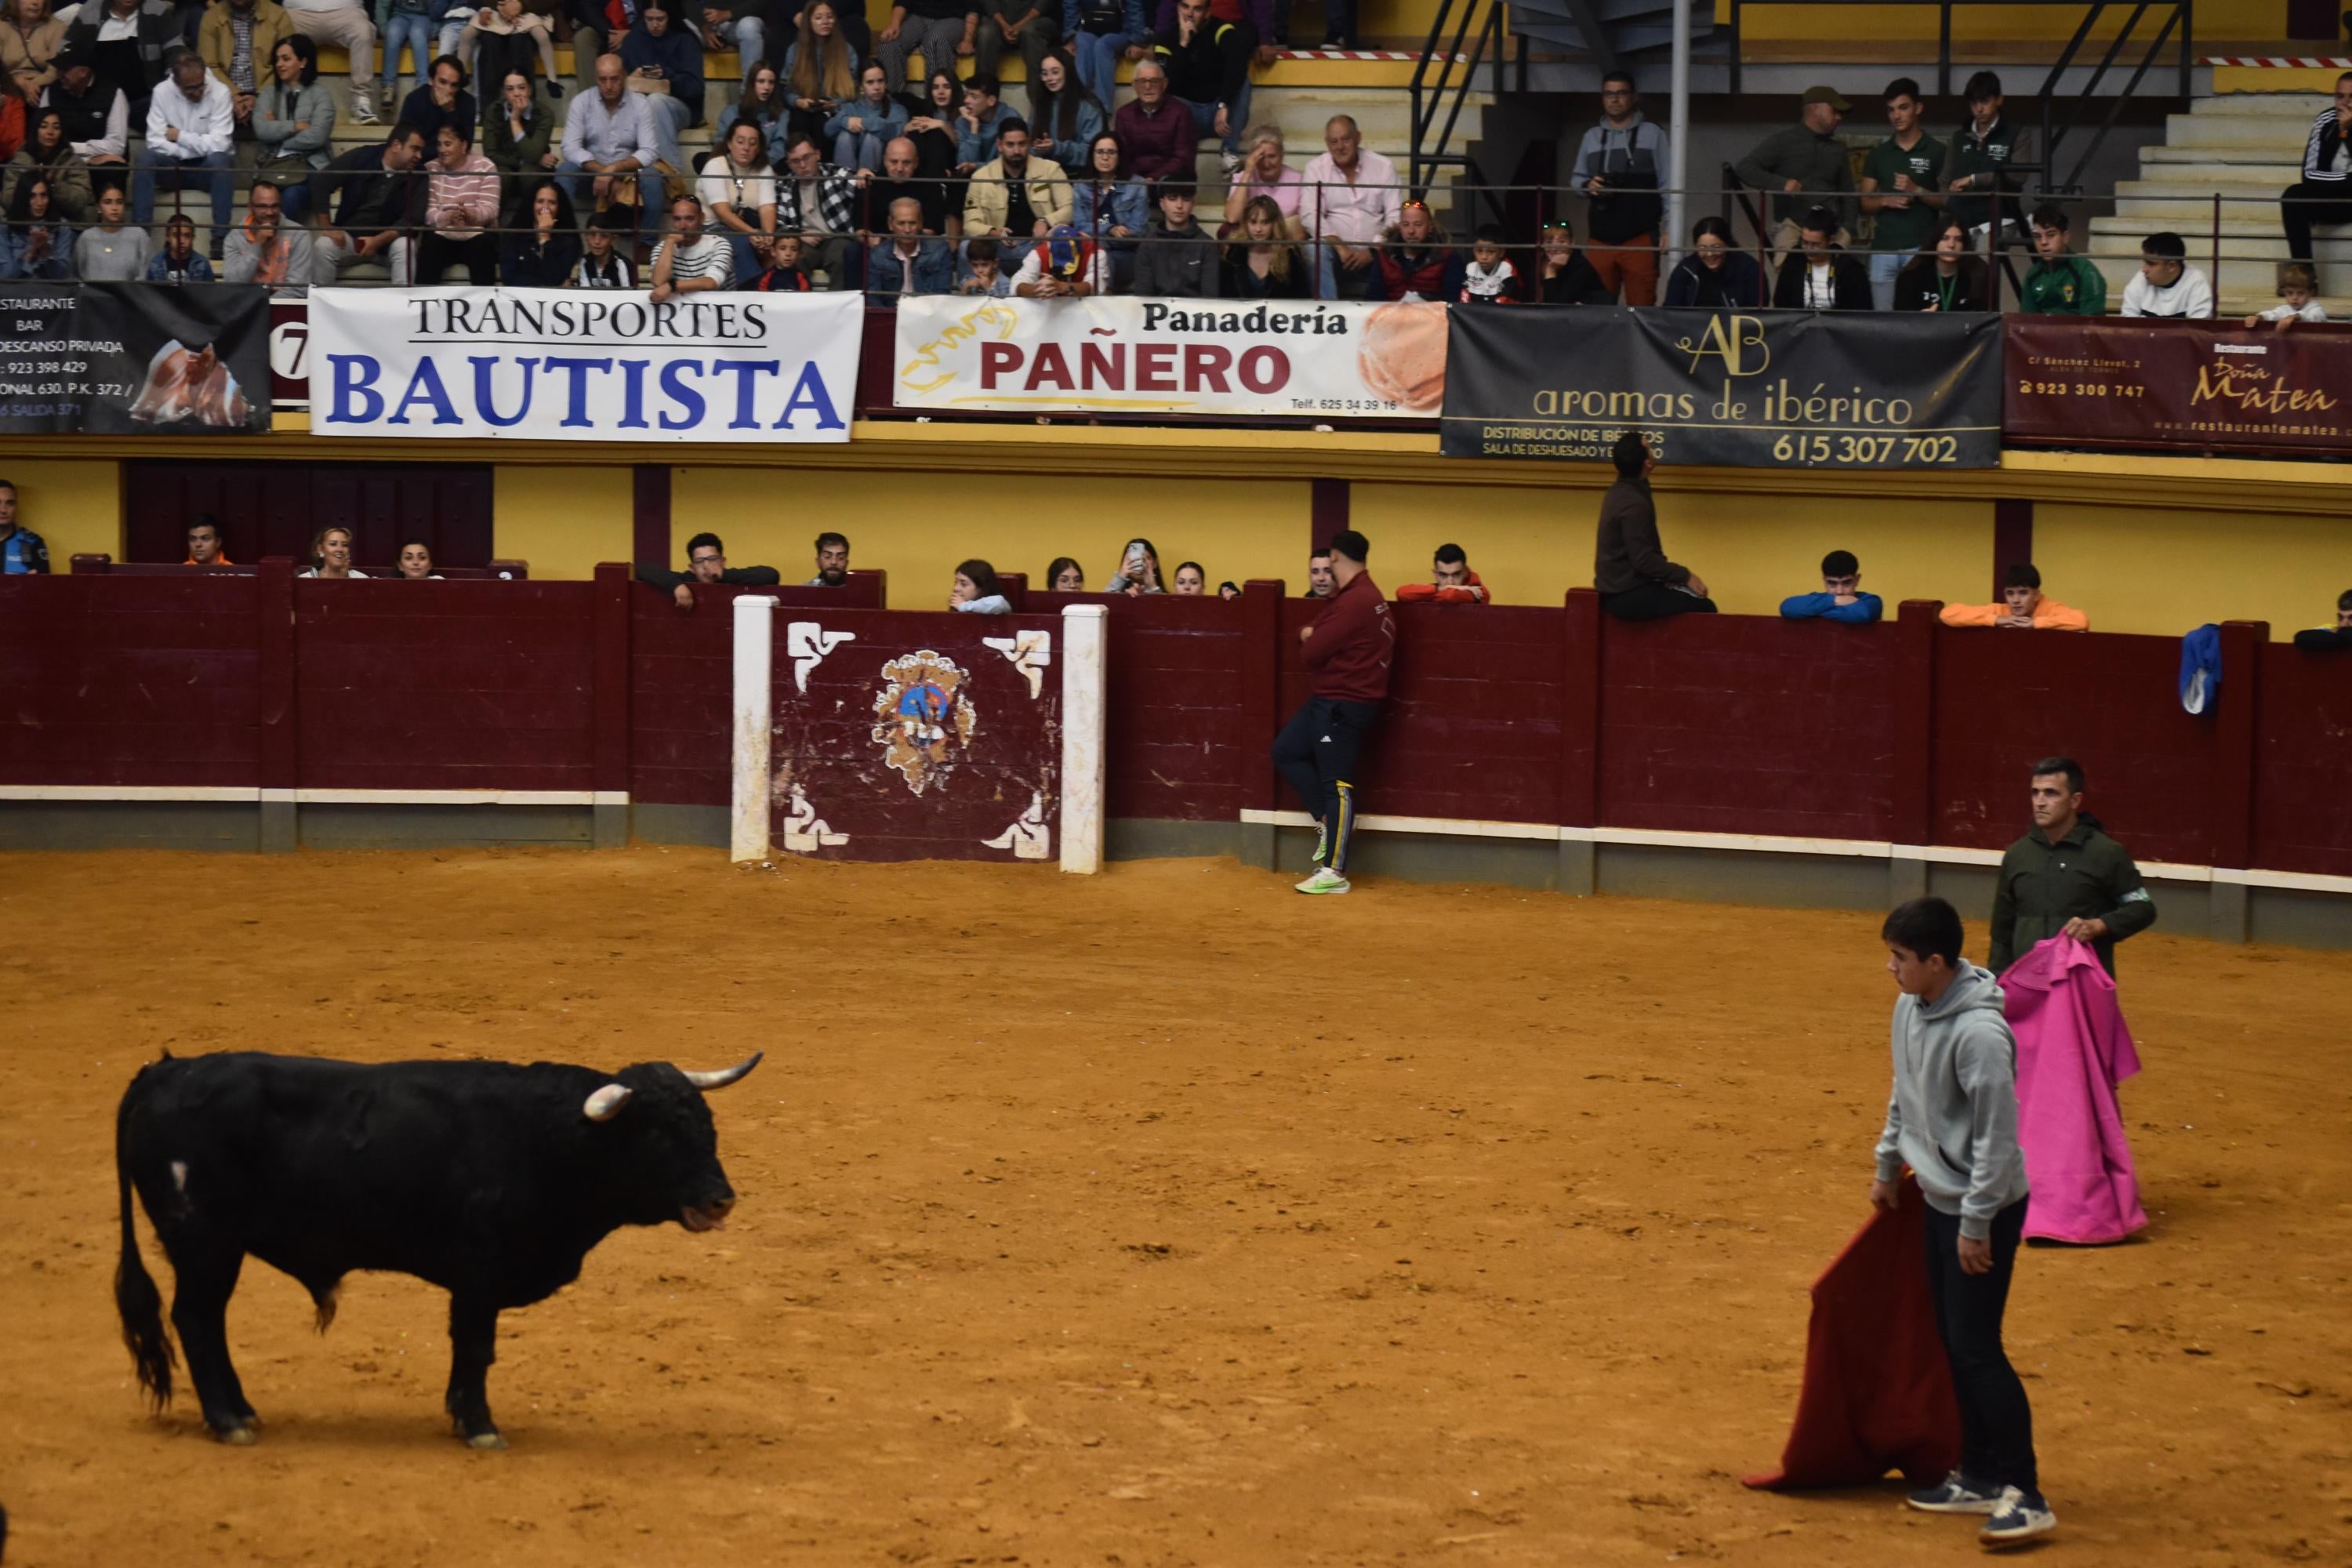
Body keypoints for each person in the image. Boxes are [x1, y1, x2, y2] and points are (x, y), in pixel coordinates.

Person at [1868, 895, 2057, 1551]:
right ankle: (1977, 1473)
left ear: (1937, 962)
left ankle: (2026, 1494)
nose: (1890, 968)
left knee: (1977, 1347)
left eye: (1900, 958)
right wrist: (1889, 1163)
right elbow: (1905, 1088)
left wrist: (1976, 1223)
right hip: (1940, 1196)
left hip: (1986, 1207)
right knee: (1954, 1342)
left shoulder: (1980, 1035)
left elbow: (1998, 1140)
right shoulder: (1909, 1008)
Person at [1275, 528, 1391, 896]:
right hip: (1329, 701)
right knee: (1286, 751)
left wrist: (1309, 634)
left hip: (1341, 706)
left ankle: (1335, 871)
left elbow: (1311, 650)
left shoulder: (1354, 602)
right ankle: (1328, 822)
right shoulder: (1363, 597)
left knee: (1337, 785)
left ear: (1336, 558)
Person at [1988, 756, 2155, 978]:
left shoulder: (2105, 853)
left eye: (2051, 793)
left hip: (2081, 987)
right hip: (2028, 985)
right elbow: (2002, 931)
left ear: (2075, 800)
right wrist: (1996, 985)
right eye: (2035, 792)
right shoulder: (2017, 855)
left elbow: (2142, 908)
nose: (2040, 802)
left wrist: (2099, 925)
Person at [1595, 431, 1713, 620]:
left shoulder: (1620, 492)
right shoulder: (1634, 503)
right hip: (1626, 593)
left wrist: (1666, 577)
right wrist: (1684, 576)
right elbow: (1644, 561)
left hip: (1621, 587)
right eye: (1650, 449)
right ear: (1647, 463)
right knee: (1705, 608)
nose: (1652, 451)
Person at [1571, 67, 1665, 303]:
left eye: (1621, 93)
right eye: (1608, 94)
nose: (1614, 99)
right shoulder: (1591, 137)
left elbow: (1668, 183)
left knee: (1641, 309)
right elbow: (1575, 180)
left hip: (1640, 237)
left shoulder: (1653, 134)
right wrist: (1588, 185)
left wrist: (1670, 229)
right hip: (1600, 237)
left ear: (1633, 97)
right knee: (1598, 308)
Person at [131, 47, 230, 254]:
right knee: (145, 158)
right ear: (176, 83)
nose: (197, 93)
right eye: (190, 89)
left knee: (221, 161)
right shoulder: (161, 92)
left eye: (200, 86)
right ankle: (141, 235)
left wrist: (181, 137)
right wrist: (192, 149)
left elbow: (221, 144)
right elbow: (154, 141)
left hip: (206, 168)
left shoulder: (221, 92)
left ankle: (220, 238)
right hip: (173, 166)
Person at [1735, 85, 1856, 256]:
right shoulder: (1783, 142)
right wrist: (1781, 184)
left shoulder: (1837, 150)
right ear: (1815, 108)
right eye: (1834, 110)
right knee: (1789, 279)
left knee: (1832, 281)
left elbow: (1849, 194)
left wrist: (1847, 231)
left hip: (1830, 233)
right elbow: (1745, 168)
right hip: (1791, 228)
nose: (1839, 116)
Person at [1858, 76, 1944, 310]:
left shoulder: (1937, 151)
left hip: (1921, 248)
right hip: (1883, 248)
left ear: (1918, 108)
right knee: (1883, 323)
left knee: (1918, 322)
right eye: (1891, 110)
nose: (1896, 116)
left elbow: (1949, 202)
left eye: (1903, 108)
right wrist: (1885, 200)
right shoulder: (1879, 154)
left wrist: (1915, 190)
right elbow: (1863, 204)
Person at [557, 53, 666, 238]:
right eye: (603, 80)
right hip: (591, 175)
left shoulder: (640, 104)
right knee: (565, 171)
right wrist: (602, 171)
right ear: (596, 79)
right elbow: (569, 147)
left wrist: (613, 170)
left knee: (653, 178)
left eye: (614, 79)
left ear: (624, 77)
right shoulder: (581, 102)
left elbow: (649, 151)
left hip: (628, 176)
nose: (608, 86)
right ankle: (565, 238)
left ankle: (646, 244)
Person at [308, 122, 423, 283]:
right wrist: (327, 227)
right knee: (323, 246)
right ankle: (323, 305)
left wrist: (377, 242)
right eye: (415, 149)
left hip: (389, 244)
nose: (420, 156)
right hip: (351, 239)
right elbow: (321, 182)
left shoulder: (420, 174)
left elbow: (412, 220)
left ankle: (403, 306)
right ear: (397, 145)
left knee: (406, 246)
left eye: (421, 151)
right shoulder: (362, 157)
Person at [1301, 111, 1398, 300]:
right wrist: (1339, 246)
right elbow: (1309, 214)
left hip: (1378, 251)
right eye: (1334, 142)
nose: (1340, 147)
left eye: (1346, 139)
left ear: (1358, 138)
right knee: (1313, 249)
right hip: (1336, 253)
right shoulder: (1315, 168)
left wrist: (1373, 249)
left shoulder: (1383, 166)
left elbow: (1395, 215)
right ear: (1327, 143)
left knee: (1399, 246)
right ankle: (1328, 314)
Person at [1150, 0, 1254, 176]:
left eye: (1197, 9)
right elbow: (1168, 82)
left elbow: (1238, 64)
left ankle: (1229, 153)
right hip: (1188, 116)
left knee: (1244, 82)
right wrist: (1183, 43)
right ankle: (1177, 163)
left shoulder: (1222, 29)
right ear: (1178, 8)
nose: (1189, 14)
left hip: (1220, 115)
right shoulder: (1165, 37)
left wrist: (1224, 103)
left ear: (1207, 12)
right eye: (1185, 6)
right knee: (1162, 91)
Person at [2279, 71, 2351, 292]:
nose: (2345, 103)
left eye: (2351, 97)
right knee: (2293, 196)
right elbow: (2309, 175)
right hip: (2329, 199)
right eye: (2340, 96)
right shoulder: (2325, 120)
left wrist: (2348, 132)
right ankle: (2306, 279)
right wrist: (2339, 132)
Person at [963, 114, 1065, 267]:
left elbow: (1069, 209)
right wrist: (995, 233)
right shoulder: (981, 176)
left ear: (1029, 143)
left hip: (1039, 244)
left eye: (1022, 144)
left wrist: (1046, 221)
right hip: (997, 246)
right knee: (965, 247)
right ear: (999, 145)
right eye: (1010, 145)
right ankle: (972, 289)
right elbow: (970, 224)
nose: (1017, 151)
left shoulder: (1051, 170)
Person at [1942, 70, 2031, 245]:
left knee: (1983, 265)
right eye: (1974, 102)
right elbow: (1944, 180)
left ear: (1999, 99)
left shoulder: (2018, 133)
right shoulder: (1958, 137)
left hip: (1999, 220)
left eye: (1985, 101)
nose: (1979, 108)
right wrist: (1949, 201)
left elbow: (2019, 175)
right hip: (1961, 222)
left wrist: (1974, 180)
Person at [250, 36, 332, 218]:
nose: (279, 64)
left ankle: (284, 245)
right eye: (277, 59)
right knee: (263, 198)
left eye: (286, 59)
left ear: (303, 62)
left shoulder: (321, 95)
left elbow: (317, 136)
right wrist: (295, 126)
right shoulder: (268, 94)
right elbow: (262, 130)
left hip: (307, 166)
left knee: (292, 196)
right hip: (271, 166)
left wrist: (277, 132)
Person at [62, 0, 170, 132]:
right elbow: (66, 47)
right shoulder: (92, 9)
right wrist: (72, 67)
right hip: (99, 101)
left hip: (144, 101)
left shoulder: (155, 8)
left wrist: (172, 79)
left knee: (169, 125)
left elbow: (174, 46)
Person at [620, 2, 702, 164]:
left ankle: (669, 174)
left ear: (669, 17)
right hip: (639, 102)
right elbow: (618, 82)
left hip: (680, 105)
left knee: (656, 101)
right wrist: (632, 78)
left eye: (660, 19)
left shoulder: (685, 40)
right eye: (649, 19)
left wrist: (667, 77)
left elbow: (696, 87)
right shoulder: (634, 39)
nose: (655, 25)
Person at [415, 121, 496, 283]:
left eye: (448, 144)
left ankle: (485, 304)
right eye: (439, 144)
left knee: (485, 244)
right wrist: (447, 217)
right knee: (430, 243)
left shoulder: (485, 167)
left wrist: (470, 215)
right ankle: (424, 304)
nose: (442, 150)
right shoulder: (430, 169)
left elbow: (491, 209)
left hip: (474, 233)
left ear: (464, 145)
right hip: (442, 234)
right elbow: (426, 211)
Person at [773, 129, 857, 285]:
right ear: (789, 164)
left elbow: (861, 188)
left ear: (817, 155)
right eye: (796, 161)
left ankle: (839, 307)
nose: (803, 165)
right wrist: (800, 234)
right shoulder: (783, 185)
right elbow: (780, 225)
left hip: (837, 237)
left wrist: (865, 173)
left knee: (841, 256)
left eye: (807, 157)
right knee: (794, 257)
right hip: (804, 241)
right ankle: (802, 306)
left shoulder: (836, 174)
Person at [702, 115, 778, 279]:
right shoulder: (715, 166)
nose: (746, 148)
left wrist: (768, 235)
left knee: (777, 246)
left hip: (748, 227)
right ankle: (752, 293)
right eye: (740, 142)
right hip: (712, 228)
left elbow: (767, 208)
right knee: (742, 242)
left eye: (752, 143)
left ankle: (778, 290)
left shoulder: (764, 169)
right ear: (729, 144)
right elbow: (723, 213)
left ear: (759, 148)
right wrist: (752, 233)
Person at [482, 66, 555, 230]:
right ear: (504, 92)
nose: (516, 94)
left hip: (533, 170)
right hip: (505, 166)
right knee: (501, 174)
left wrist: (515, 121)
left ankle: (532, 226)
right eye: (510, 89)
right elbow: (491, 154)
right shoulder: (494, 111)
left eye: (521, 88)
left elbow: (532, 155)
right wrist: (527, 158)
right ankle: (491, 227)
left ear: (529, 89)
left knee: (528, 173)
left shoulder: (544, 114)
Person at [281, 0, 378, 122]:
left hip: (346, 12)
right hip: (298, 13)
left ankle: (361, 102)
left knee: (363, 31)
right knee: (277, 29)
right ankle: (288, 99)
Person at [198, 0, 292, 123]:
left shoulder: (278, 15)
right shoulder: (211, 17)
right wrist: (232, 95)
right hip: (222, 92)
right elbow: (207, 65)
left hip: (268, 92)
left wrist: (260, 98)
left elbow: (289, 63)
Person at [635, 531, 781, 609]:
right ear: (692, 567)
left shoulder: (735, 579)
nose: (706, 566)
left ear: (723, 561)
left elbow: (771, 575)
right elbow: (643, 569)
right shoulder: (686, 580)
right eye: (699, 561)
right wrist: (677, 585)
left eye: (712, 559)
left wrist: (724, 574)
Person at [1070, 128, 1143, 285]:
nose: (1105, 157)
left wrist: (1101, 235)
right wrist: (1110, 229)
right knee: (1098, 251)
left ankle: (1101, 297)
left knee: (1101, 251)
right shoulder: (1080, 187)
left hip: (1127, 251)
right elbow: (1080, 226)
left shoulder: (1137, 185)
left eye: (1111, 152)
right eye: (1100, 152)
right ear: (1092, 156)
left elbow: (1138, 230)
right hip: (1095, 250)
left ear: (1119, 156)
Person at [44, 46, 130, 177]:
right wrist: (86, 159)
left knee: (113, 166)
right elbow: (41, 137)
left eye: (64, 69)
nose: (59, 74)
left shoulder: (113, 93)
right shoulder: (51, 92)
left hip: (101, 163)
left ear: (83, 72)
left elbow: (116, 146)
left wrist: (73, 149)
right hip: (60, 160)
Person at [1771, 204, 1871, 310]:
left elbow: (1861, 312)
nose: (1808, 249)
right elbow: (1781, 303)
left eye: (1815, 245)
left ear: (1831, 240)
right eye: (1805, 243)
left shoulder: (1851, 270)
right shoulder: (1794, 261)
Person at [1939, 561, 2087, 631]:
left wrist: (2035, 623)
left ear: (2036, 595)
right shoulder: (2001, 612)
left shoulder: (2051, 609)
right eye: (2010, 593)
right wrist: (1997, 620)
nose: (2015, 600)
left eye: (2023, 593)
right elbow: (1948, 614)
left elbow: (2081, 621)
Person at [223, 175, 311, 291]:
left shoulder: (299, 234)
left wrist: (267, 306)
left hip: (283, 305)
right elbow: (232, 282)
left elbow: (298, 288)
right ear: (250, 207)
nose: (269, 212)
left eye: (275, 206)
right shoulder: (235, 237)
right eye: (262, 206)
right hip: (247, 305)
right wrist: (257, 245)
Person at [1133, 172, 1216, 296]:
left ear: (1193, 203)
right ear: (1162, 204)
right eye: (1172, 199)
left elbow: (1210, 296)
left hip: (1197, 313)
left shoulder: (1207, 245)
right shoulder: (1148, 245)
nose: (1179, 206)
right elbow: (1143, 297)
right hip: (1157, 313)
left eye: (1186, 199)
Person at [1109, 57, 1188, 183]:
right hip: (1134, 182)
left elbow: (1182, 157)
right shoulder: (1124, 114)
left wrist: (1153, 178)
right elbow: (1122, 156)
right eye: (1142, 81)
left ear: (1165, 84)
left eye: (1154, 81)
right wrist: (1137, 180)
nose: (1148, 86)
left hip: (1169, 180)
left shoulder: (1180, 112)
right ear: (1134, 85)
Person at [456, 0, 557, 96]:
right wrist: (492, 8)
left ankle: (552, 81)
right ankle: (460, 76)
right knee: (466, 34)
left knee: (541, 36)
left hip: (526, 15)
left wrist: (521, 5)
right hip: (494, 14)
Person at [2018, 205, 2105, 316]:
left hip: (2077, 332)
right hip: (2040, 333)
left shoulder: (2086, 272)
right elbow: (2026, 323)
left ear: (2066, 237)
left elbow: (2091, 325)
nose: (2043, 242)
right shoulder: (2033, 275)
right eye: (2037, 236)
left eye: (2050, 235)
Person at [858, 134, 949, 238]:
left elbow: (931, 230)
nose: (900, 168)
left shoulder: (930, 184)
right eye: (894, 162)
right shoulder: (869, 182)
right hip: (878, 248)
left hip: (919, 246)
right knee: (853, 250)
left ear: (916, 163)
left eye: (906, 163)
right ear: (884, 161)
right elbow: (861, 230)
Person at [4, 104, 86, 220]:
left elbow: (80, 201)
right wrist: (32, 183)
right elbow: (8, 199)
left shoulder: (73, 162)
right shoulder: (19, 161)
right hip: (24, 221)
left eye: (56, 127)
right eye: (44, 126)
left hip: (63, 224)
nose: (50, 132)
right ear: (34, 130)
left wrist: (54, 185)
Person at [1662, 214, 1765, 306]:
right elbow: (1671, 313)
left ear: (1727, 244)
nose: (1709, 254)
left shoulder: (1750, 269)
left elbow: (1758, 315)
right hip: (1693, 327)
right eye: (1702, 248)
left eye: (1716, 247)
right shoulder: (1686, 269)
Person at [1025, 47, 1098, 174]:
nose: (1050, 78)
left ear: (1067, 72)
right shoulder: (1039, 106)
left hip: (1078, 177)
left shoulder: (1088, 107)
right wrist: (1037, 149)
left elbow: (1093, 152)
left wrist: (1057, 148)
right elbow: (1028, 144)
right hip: (1042, 176)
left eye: (1055, 72)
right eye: (1044, 73)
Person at [1891, 215, 1987, 312]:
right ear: (1934, 241)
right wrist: (1920, 320)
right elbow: (1901, 321)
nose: (1951, 245)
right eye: (1945, 238)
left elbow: (1984, 320)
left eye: (1958, 239)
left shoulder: (1977, 275)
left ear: (1964, 245)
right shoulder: (1910, 277)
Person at [873, 0, 971, 94]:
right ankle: (890, 101)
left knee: (935, 40)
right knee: (889, 43)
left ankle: (936, 104)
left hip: (953, 18)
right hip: (917, 17)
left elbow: (974, 7)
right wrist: (894, 25)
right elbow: (902, 2)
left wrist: (968, 39)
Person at [650, 190, 732, 300]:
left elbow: (711, 282)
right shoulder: (663, 248)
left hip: (717, 310)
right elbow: (658, 282)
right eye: (677, 219)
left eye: (690, 219)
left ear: (702, 218)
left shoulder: (719, 244)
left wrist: (672, 286)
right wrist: (669, 244)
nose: (683, 226)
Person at [1373, 196, 1459, 301]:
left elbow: (1453, 302)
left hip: (1433, 316)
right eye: (1406, 224)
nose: (1411, 231)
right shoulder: (1385, 255)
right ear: (1400, 226)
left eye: (1418, 225)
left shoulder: (1447, 256)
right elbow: (1373, 300)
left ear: (1430, 227)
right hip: (1391, 315)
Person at [1219, 191, 1304, 296]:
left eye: (1265, 223)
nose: (1258, 229)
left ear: (1275, 224)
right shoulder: (1233, 252)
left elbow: (1300, 297)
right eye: (1253, 222)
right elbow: (1223, 295)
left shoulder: (1290, 254)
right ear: (1246, 223)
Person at [827, 59, 905, 172]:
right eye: (870, 82)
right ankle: (844, 185)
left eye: (880, 81)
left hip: (883, 174)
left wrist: (862, 123)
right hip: (849, 173)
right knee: (845, 137)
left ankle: (867, 187)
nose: (877, 87)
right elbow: (828, 129)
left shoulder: (898, 110)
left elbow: (898, 132)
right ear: (861, 87)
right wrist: (845, 122)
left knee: (872, 138)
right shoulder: (851, 108)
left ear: (886, 83)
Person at [972, 0, 1049, 111]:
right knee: (986, 33)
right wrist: (1004, 25)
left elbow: (1044, 4)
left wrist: (1020, 25)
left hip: (1037, 21)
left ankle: (1040, 107)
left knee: (1029, 31)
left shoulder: (1084, 21)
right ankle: (982, 101)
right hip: (999, 23)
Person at [499, 176, 577, 283]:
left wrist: (545, 238)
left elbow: (556, 278)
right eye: (540, 201)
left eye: (552, 202)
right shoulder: (513, 235)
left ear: (559, 207)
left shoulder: (569, 240)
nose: (545, 207)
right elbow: (509, 278)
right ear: (532, 204)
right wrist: (545, 283)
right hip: (520, 298)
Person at [2119, 230, 2212, 318]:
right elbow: (2128, 325)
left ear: (2172, 266)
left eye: (2151, 264)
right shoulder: (2140, 279)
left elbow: (2199, 330)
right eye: (2145, 262)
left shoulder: (2197, 282)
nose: (2144, 269)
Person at [1068, 0, 1142, 110]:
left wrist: (1136, 40)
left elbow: (1134, 11)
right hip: (1087, 26)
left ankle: (1103, 109)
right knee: (1083, 43)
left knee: (1102, 45)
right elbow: (1072, 8)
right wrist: (1070, 35)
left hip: (1119, 31)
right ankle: (1078, 107)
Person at [867, 194, 949, 292]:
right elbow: (873, 296)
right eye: (901, 223)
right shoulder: (877, 255)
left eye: (912, 223)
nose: (907, 230)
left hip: (927, 307)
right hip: (891, 307)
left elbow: (942, 293)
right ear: (890, 224)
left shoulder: (940, 251)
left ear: (921, 223)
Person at [1779, 549, 1882, 622]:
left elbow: (1862, 614)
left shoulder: (1871, 601)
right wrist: (1834, 601)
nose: (1839, 591)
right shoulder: (1818, 599)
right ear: (1824, 580)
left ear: (1857, 579)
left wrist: (1814, 611)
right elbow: (1787, 608)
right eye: (1832, 583)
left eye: (1847, 583)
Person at [898, 65, 962, 183]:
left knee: (936, 134)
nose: (941, 92)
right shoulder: (924, 111)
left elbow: (962, 149)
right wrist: (905, 130)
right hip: (924, 167)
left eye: (947, 87)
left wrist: (942, 125)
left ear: (955, 90)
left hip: (951, 168)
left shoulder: (963, 114)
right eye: (936, 87)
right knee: (915, 134)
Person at [394, 51, 473, 144]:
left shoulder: (468, 102)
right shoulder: (414, 100)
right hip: (420, 156)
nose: (448, 89)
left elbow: (465, 145)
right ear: (431, 80)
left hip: (453, 157)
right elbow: (405, 141)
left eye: (454, 85)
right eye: (443, 82)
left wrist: (450, 112)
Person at [0, 167, 67, 274]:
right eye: (32, 196)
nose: (39, 202)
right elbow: (4, 275)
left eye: (43, 195)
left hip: (49, 290)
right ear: (22, 197)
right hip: (16, 290)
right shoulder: (5, 227)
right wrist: (31, 251)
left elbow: (62, 275)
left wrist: (46, 252)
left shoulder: (62, 226)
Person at [70, 177, 142, 274]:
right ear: (98, 207)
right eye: (108, 202)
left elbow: (145, 274)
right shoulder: (87, 237)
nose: (114, 208)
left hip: (130, 290)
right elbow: (77, 273)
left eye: (119, 202)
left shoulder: (138, 236)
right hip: (92, 290)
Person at [1527, 217, 1608, 303]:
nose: (1555, 248)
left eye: (1561, 242)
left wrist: (1551, 271)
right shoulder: (1539, 264)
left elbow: (1556, 306)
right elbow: (1529, 299)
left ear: (1572, 243)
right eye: (1549, 242)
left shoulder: (1581, 267)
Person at [717, 60, 788, 156]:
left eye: (771, 82)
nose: (767, 87)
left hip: (765, 165)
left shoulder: (782, 114)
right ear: (751, 84)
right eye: (761, 81)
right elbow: (721, 145)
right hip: (735, 164)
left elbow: (779, 150)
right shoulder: (731, 112)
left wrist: (755, 164)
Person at [1, 0, 65, 104]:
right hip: (6, 88)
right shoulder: (2, 26)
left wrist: (32, 85)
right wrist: (20, 82)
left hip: (43, 90)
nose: (35, 2)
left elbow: (55, 70)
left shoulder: (57, 27)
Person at [377, 0, 436, 108]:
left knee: (417, 33)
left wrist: (436, 29)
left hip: (424, 17)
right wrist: (383, 27)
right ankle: (388, 87)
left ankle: (423, 87)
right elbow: (382, 4)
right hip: (399, 15)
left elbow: (440, 6)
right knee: (392, 33)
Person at [1396, 542, 1486, 604]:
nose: (1450, 582)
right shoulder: (1438, 589)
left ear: (1466, 572)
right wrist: (1441, 589)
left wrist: (1432, 592)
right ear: (1435, 574)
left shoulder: (1479, 592)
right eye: (1443, 575)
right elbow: (1402, 593)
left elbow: (1450, 596)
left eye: (1456, 574)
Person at [2245, 262, 2328, 328]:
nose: (2295, 298)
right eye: (2290, 293)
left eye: (2301, 293)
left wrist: (2296, 317)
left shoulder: (2315, 308)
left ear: (2311, 293)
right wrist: (2258, 317)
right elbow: (2271, 315)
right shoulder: (2284, 309)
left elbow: (2315, 317)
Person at [568, 206, 633, 285]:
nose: (597, 241)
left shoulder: (622, 264)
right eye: (592, 235)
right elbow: (584, 294)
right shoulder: (585, 262)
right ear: (586, 236)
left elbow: (628, 295)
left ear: (613, 240)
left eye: (604, 236)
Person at [1457, 222, 1517, 304]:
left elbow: (1505, 305)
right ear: (1473, 251)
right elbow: (1464, 302)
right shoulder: (1470, 268)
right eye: (1479, 251)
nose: (1484, 257)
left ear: (1501, 252)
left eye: (1491, 251)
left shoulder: (1507, 269)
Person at [143, 209, 212, 278]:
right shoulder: (156, 264)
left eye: (187, 236)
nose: (181, 241)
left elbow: (210, 288)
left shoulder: (202, 263)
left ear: (193, 238)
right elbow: (149, 288)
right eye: (176, 235)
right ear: (167, 237)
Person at [0, 477, 45, 572]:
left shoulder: (32, 543)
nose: (3, 510)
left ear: (16, 507)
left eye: (10, 503)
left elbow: (46, 585)